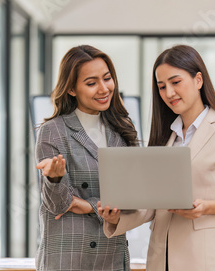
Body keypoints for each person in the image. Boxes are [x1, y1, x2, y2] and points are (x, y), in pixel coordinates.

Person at [98, 45, 215, 271]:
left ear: (198, 80)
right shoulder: (166, 137)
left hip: (203, 260)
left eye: (176, 82)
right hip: (161, 258)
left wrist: (208, 207)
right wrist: (115, 217)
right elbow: (153, 205)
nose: (169, 93)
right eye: (162, 87)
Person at [35, 45, 138, 270]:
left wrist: (88, 205)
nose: (103, 89)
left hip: (111, 254)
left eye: (107, 78)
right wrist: (55, 179)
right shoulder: (53, 130)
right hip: (69, 258)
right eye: (91, 83)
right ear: (71, 89)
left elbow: (132, 201)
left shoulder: (121, 129)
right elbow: (58, 205)